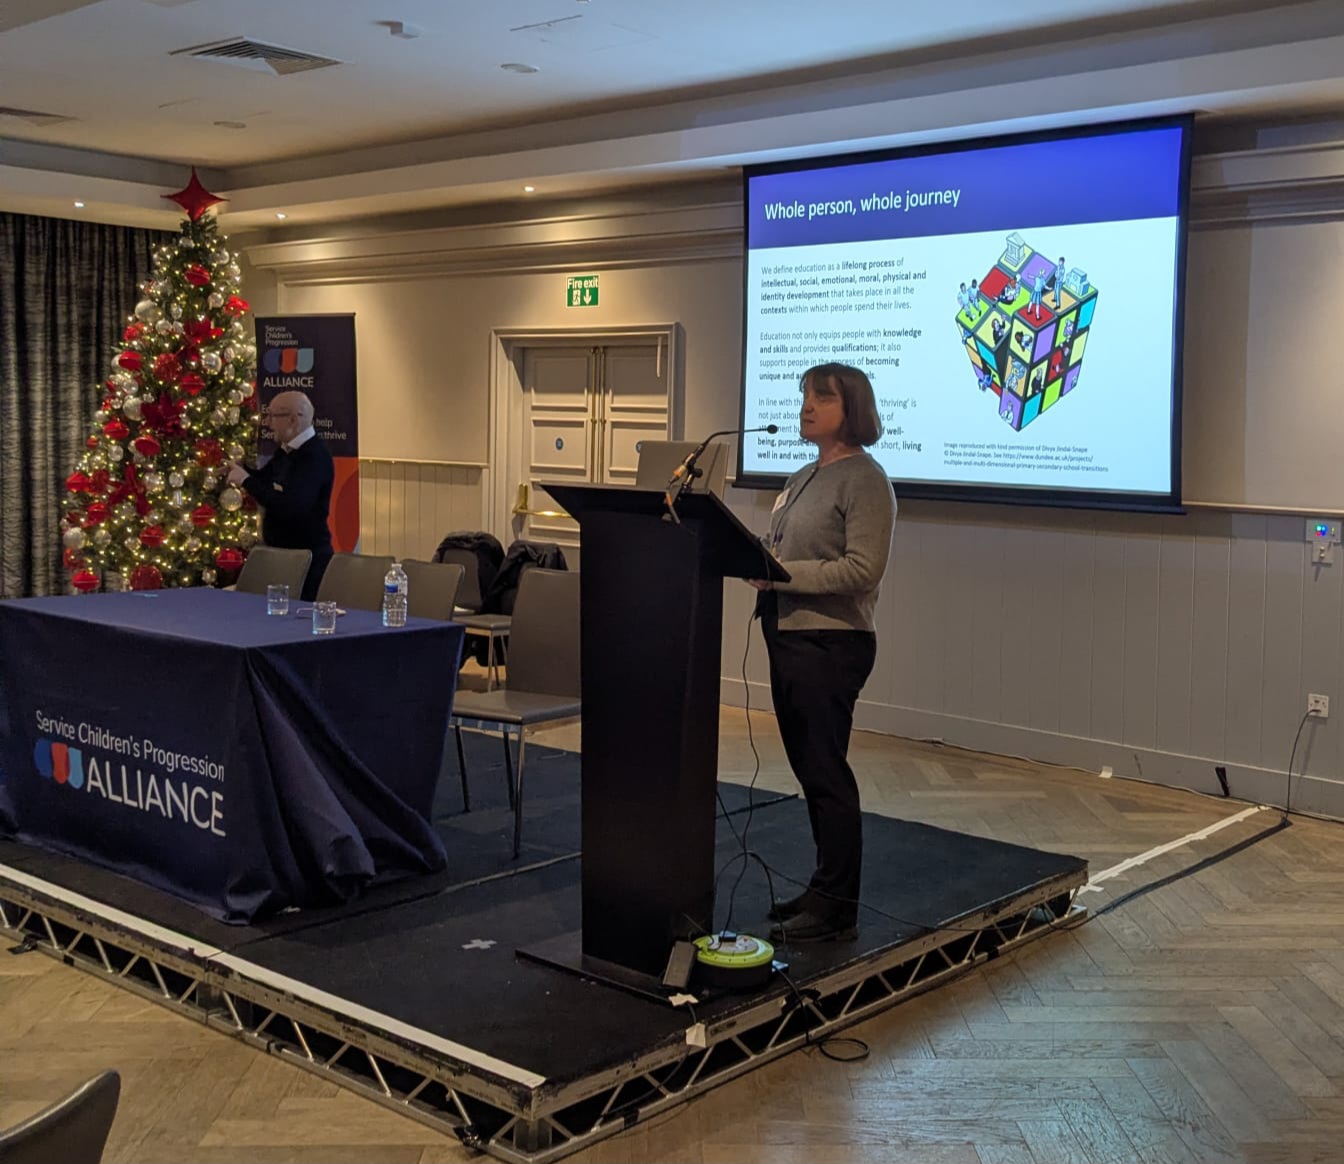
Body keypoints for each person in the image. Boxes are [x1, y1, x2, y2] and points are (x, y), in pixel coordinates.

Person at [748, 363, 896, 943]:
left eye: (822, 398)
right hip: (787, 636)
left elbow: (863, 569)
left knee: (826, 772)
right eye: (804, 396)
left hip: (831, 643)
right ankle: (822, 886)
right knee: (810, 770)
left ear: (851, 408)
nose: (807, 406)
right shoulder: (804, 474)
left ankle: (838, 906)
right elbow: (781, 547)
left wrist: (779, 575)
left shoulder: (866, 480)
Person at [225, 390, 334, 600]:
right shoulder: (285, 452)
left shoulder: (314, 457)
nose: (267, 423)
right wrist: (242, 470)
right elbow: (265, 481)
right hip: (283, 555)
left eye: (273, 416)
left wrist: (245, 480)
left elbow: (290, 506)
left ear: (293, 419)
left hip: (307, 559)